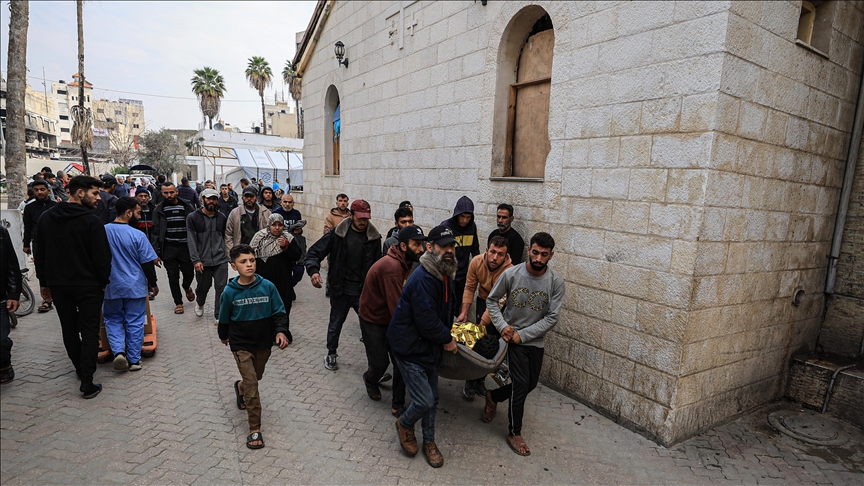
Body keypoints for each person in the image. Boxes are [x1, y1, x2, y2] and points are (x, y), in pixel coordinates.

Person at [483, 232, 565, 456]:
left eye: (544, 255)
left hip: (533, 340)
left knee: (530, 384)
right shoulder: (512, 274)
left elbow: (552, 318)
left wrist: (524, 335)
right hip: (512, 338)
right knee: (520, 384)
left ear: (551, 255)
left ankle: (493, 396)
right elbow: (491, 300)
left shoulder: (556, 282)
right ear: (529, 250)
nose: (538, 258)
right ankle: (514, 432)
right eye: (535, 252)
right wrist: (503, 327)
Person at [387, 225, 459, 468]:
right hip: (409, 348)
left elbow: (446, 309)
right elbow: (427, 321)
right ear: (430, 248)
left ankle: (429, 441)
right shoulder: (423, 277)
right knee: (425, 400)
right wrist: (447, 339)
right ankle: (405, 424)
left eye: (452, 246)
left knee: (434, 398)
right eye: (444, 246)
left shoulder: (445, 272)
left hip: (428, 347)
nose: (449, 251)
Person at [35, 175, 112, 399]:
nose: (99, 198)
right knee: (89, 331)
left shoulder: (47, 218)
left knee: (69, 329)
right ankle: (87, 380)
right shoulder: (92, 221)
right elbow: (102, 258)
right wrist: (103, 283)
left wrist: (44, 283)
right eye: (95, 193)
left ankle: (80, 370)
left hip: (59, 285)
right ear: (80, 193)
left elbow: (40, 254)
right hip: (88, 286)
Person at [219, 244, 290, 450]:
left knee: (255, 377)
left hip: (263, 343)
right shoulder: (229, 292)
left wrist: (280, 331)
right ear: (234, 266)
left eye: (252, 260)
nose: (249, 265)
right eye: (243, 262)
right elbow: (224, 318)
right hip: (240, 344)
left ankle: (240, 387)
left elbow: (279, 312)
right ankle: (254, 428)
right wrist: (224, 336)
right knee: (253, 385)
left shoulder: (267, 286)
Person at [305, 199, 382, 371]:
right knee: (336, 323)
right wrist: (314, 271)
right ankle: (331, 353)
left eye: (366, 218)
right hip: (341, 289)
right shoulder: (337, 234)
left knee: (370, 329)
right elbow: (314, 253)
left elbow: (379, 267)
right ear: (352, 215)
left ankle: (375, 366)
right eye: (360, 217)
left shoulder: (374, 238)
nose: (363, 221)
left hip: (364, 292)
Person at [358, 225, 425, 416]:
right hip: (373, 319)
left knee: (400, 360)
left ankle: (398, 404)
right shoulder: (392, 267)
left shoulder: (404, 261)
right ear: (403, 246)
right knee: (380, 363)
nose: (422, 249)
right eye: (417, 244)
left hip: (389, 317)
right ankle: (370, 379)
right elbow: (397, 307)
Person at [103, 197, 159, 373]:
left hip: (110, 285)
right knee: (135, 321)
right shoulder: (138, 235)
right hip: (134, 285)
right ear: (128, 213)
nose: (139, 215)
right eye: (137, 212)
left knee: (112, 319)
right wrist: (153, 284)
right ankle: (134, 360)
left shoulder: (102, 231)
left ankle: (119, 351)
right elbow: (147, 263)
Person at [457, 235, 512, 401]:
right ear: (487, 250)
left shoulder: (510, 271)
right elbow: (469, 287)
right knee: (477, 343)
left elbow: (499, 302)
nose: (495, 257)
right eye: (493, 252)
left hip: (502, 308)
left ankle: (480, 380)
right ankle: (470, 380)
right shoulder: (476, 261)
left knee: (490, 346)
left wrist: (481, 326)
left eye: (500, 254)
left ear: (506, 255)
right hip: (483, 300)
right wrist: (464, 311)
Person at [250, 214, 303, 342]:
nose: (277, 228)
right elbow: (251, 255)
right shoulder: (259, 237)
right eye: (274, 225)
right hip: (263, 280)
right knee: (264, 306)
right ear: (269, 225)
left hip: (283, 280)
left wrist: (286, 247)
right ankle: (266, 333)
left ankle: (282, 332)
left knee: (283, 305)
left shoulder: (288, 238)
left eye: (280, 225)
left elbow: (297, 256)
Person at [152, 182, 196, 314]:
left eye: (171, 192)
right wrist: (155, 253)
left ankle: (186, 287)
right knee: (172, 276)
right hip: (168, 248)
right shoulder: (158, 210)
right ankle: (178, 302)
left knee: (189, 273)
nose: (169, 195)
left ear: (176, 191)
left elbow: (195, 227)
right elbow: (155, 232)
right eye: (166, 193)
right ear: (162, 193)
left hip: (185, 247)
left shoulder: (187, 206)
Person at [187, 189, 229, 324]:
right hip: (202, 260)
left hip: (220, 259)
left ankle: (218, 314)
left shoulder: (222, 217)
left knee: (221, 287)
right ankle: (200, 302)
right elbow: (191, 240)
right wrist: (196, 260)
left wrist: (229, 256)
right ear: (202, 199)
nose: (211, 201)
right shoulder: (193, 217)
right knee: (203, 287)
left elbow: (225, 237)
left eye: (214, 199)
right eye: (208, 198)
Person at [440, 196, 480, 318]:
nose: (465, 220)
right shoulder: (446, 226)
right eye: (462, 217)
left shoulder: (472, 227)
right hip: (448, 274)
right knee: (446, 305)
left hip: (464, 275)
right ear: (456, 214)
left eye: (468, 217)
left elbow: (475, 250)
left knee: (459, 306)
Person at [21, 180, 57, 313]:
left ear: (48, 190)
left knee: (57, 268)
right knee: (41, 271)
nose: (39, 192)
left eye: (42, 189)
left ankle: (58, 295)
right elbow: (28, 227)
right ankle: (47, 299)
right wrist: (26, 244)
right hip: (38, 245)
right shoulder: (30, 208)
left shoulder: (56, 206)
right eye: (36, 190)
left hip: (57, 245)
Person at [0, 225, 22, 384]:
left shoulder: (1, 232)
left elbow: (11, 264)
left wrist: (14, 294)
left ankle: (4, 365)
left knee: (1, 339)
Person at [272, 193, 306, 288]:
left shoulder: (296, 213)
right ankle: (286, 290)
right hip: (280, 246)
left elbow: (300, 229)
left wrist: (299, 230)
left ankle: (289, 287)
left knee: (299, 271)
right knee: (282, 272)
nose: (287, 204)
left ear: (293, 203)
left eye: (290, 202)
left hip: (294, 246)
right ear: (281, 202)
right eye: (285, 202)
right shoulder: (275, 213)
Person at [225, 186, 272, 253]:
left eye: (251, 196)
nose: (249, 199)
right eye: (246, 197)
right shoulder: (235, 213)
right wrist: (232, 256)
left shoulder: (266, 213)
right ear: (242, 198)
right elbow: (229, 235)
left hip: (261, 253)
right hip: (241, 252)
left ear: (256, 198)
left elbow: (271, 234)